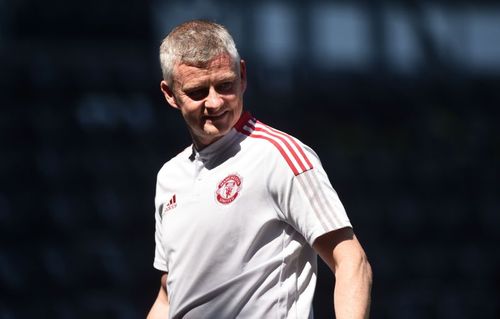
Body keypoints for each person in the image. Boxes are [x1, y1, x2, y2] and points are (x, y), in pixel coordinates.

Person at [147, 19, 372, 319]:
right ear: (170, 94)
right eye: (198, 91)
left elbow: (352, 261)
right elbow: (167, 296)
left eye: (225, 85)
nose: (214, 102)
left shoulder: (280, 155)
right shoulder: (169, 177)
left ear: (242, 75)